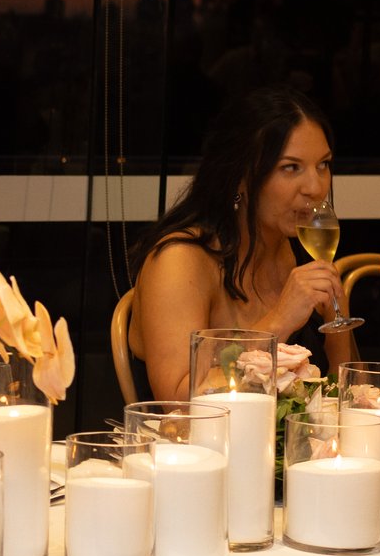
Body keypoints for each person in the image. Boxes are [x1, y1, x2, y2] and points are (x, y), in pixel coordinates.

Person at [127, 86, 357, 400]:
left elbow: (344, 396)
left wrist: (337, 323)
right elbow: (178, 402)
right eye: (291, 168)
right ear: (240, 176)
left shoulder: (304, 252)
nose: (315, 187)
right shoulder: (180, 260)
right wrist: (279, 321)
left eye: (323, 165)